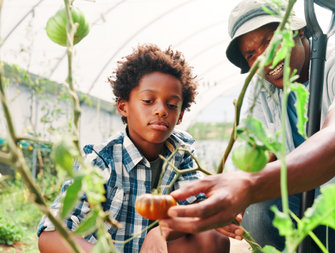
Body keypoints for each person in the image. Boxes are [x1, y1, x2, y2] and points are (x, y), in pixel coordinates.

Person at [160, 0, 335, 252]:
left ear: (297, 30)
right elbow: (247, 161)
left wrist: (247, 186)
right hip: (333, 223)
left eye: (270, 39)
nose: (264, 57)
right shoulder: (260, 93)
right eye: (251, 54)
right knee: (259, 209)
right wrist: (230, 202)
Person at [37, 44, 230, 253]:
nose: (161, 111)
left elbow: (199, 211)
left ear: (181, 115)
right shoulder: (101, 161)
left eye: (172, 105)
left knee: (213, 237)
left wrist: (162, 230)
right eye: (148, 101)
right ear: (123, 107)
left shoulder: (181, 154)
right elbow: (50, 235)